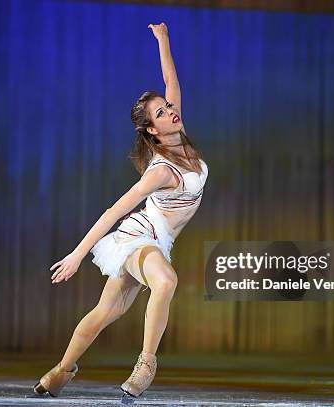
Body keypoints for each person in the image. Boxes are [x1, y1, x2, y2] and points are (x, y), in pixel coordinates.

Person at [33, 22, 209, 399]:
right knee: (165, 282)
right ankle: (146, 364)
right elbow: (114, 211)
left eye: (168, 107)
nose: (170, 111)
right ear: (151, 131)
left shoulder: (181, 138)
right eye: (161, 113)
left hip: (156, 242)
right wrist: (78, 255)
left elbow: (169, 78)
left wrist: (163, 40)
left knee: (104, 312)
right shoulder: (161, 170)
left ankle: (62, 370)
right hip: (138, 237)